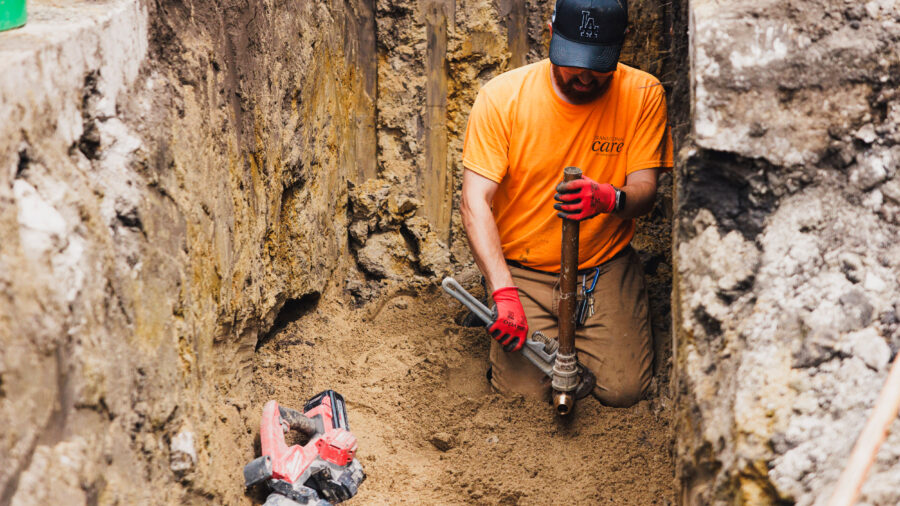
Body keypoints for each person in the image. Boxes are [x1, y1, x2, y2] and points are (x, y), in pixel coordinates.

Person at [460, 0, 673, 407]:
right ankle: (493, 304)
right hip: (524, 271)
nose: (585, 75)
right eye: (574, 60)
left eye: (598, 63)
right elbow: (474, 201)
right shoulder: (503, 97)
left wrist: (610, 198)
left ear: (622, 42)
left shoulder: (644, 93)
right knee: (521, 396)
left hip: (602, 268)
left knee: (625, 390)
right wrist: (503, 292)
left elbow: (645, 189)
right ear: (550, 30)